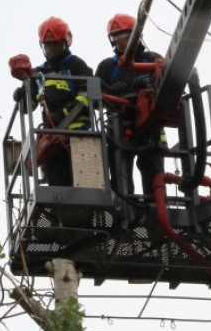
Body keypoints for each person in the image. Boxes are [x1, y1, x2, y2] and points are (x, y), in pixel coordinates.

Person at [13, 16, 93, 187]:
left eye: (55, 44)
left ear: (65, 42)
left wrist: (67, 112)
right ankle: (61, 212)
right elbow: (30, 106)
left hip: (80, 135)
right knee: (57, 185)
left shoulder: (76, 65)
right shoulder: (39, 73)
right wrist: (23, 96)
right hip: (53, 139)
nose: (52, 49)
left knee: (85, 183)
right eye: (48, 46)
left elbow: (88, 93)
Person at [95, 13, 166, 199]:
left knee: (154, 174)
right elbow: (95, 96)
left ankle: (154, 210)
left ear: (136, 34)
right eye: (116, 38)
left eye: (124, 35)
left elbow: (169, 86)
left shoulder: (153, 59)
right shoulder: (107, 67)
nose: (120, 41)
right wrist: (111, 91)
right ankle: (126, 208)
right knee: (120, 178)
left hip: (150, 129)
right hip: (120, 129)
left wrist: (148, 81)